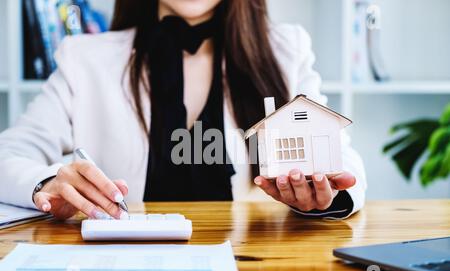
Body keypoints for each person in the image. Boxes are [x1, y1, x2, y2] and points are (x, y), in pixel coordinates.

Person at [0, 0, 366, 221]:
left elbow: (342, 157)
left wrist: (326, 197)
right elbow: (8, 155)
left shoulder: (287, 50)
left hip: (251, 266)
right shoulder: (85, 58)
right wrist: (48, 182)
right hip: (123, 267)